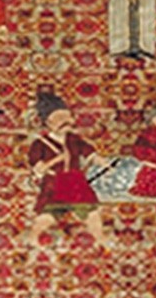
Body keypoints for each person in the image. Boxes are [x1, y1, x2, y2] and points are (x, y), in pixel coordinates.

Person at [26, 90, 110, 246]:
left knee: (92, 212)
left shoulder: (74, 139)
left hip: (75, 182)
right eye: (59, 119)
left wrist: (101, 161)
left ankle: (100, 239)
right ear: (48, 122)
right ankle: (32, 238)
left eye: (66, 117)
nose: (65, 122)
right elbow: (38, 169)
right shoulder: (39, 145)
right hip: (54, 182)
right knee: (48, 215)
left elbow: (88, 151)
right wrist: (56, 160)